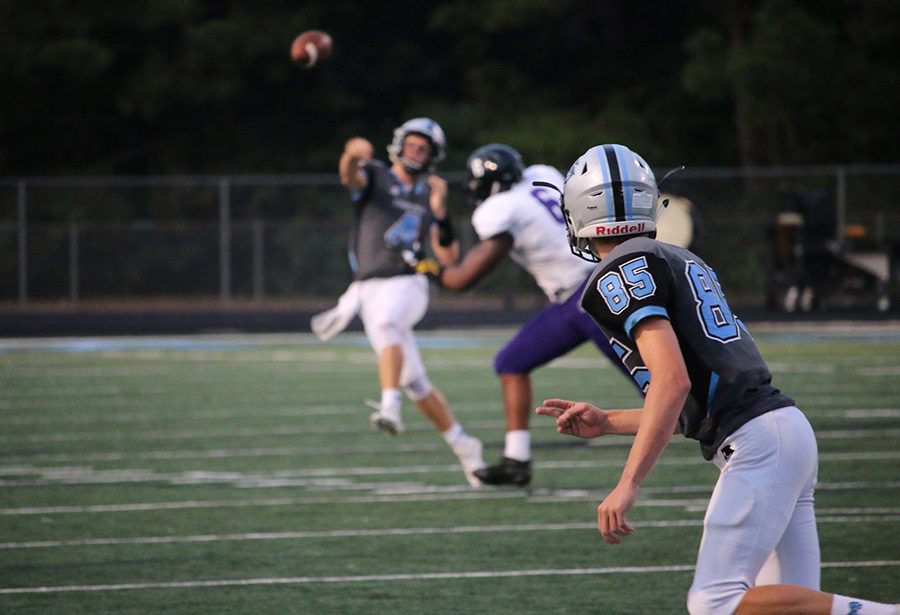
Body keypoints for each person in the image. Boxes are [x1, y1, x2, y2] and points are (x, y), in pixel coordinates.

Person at [535, 144, 898, 614]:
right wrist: (607, 420)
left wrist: (629, 482)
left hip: (756, 442)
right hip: (782, 429)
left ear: (579, 208)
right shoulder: (677, 256)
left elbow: (673, 382)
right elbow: (694, 397)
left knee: (715, 603)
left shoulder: (618, 271)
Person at [418, 143, 637, 487]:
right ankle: (516, 460)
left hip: (594, 299)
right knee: (511, 361)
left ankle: (724, 422)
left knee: (660, 386)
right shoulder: (541, 176)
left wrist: (425, 267)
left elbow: (462, 280)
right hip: (575, 299)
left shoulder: (502, 209)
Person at [312, 117, 485, 488]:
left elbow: (450, 257)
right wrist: (350, 155)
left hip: (408, 281)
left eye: (424, 148)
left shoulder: (428, 194)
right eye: (412, 145)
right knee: (415, 382)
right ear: (399, 144)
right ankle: (465, 445)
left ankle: (389, 406)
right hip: (367, 290)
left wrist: (440, 210)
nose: (416, 152)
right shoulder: (375, 175)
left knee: (390, 326)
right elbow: (349, 177)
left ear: (433, 156)